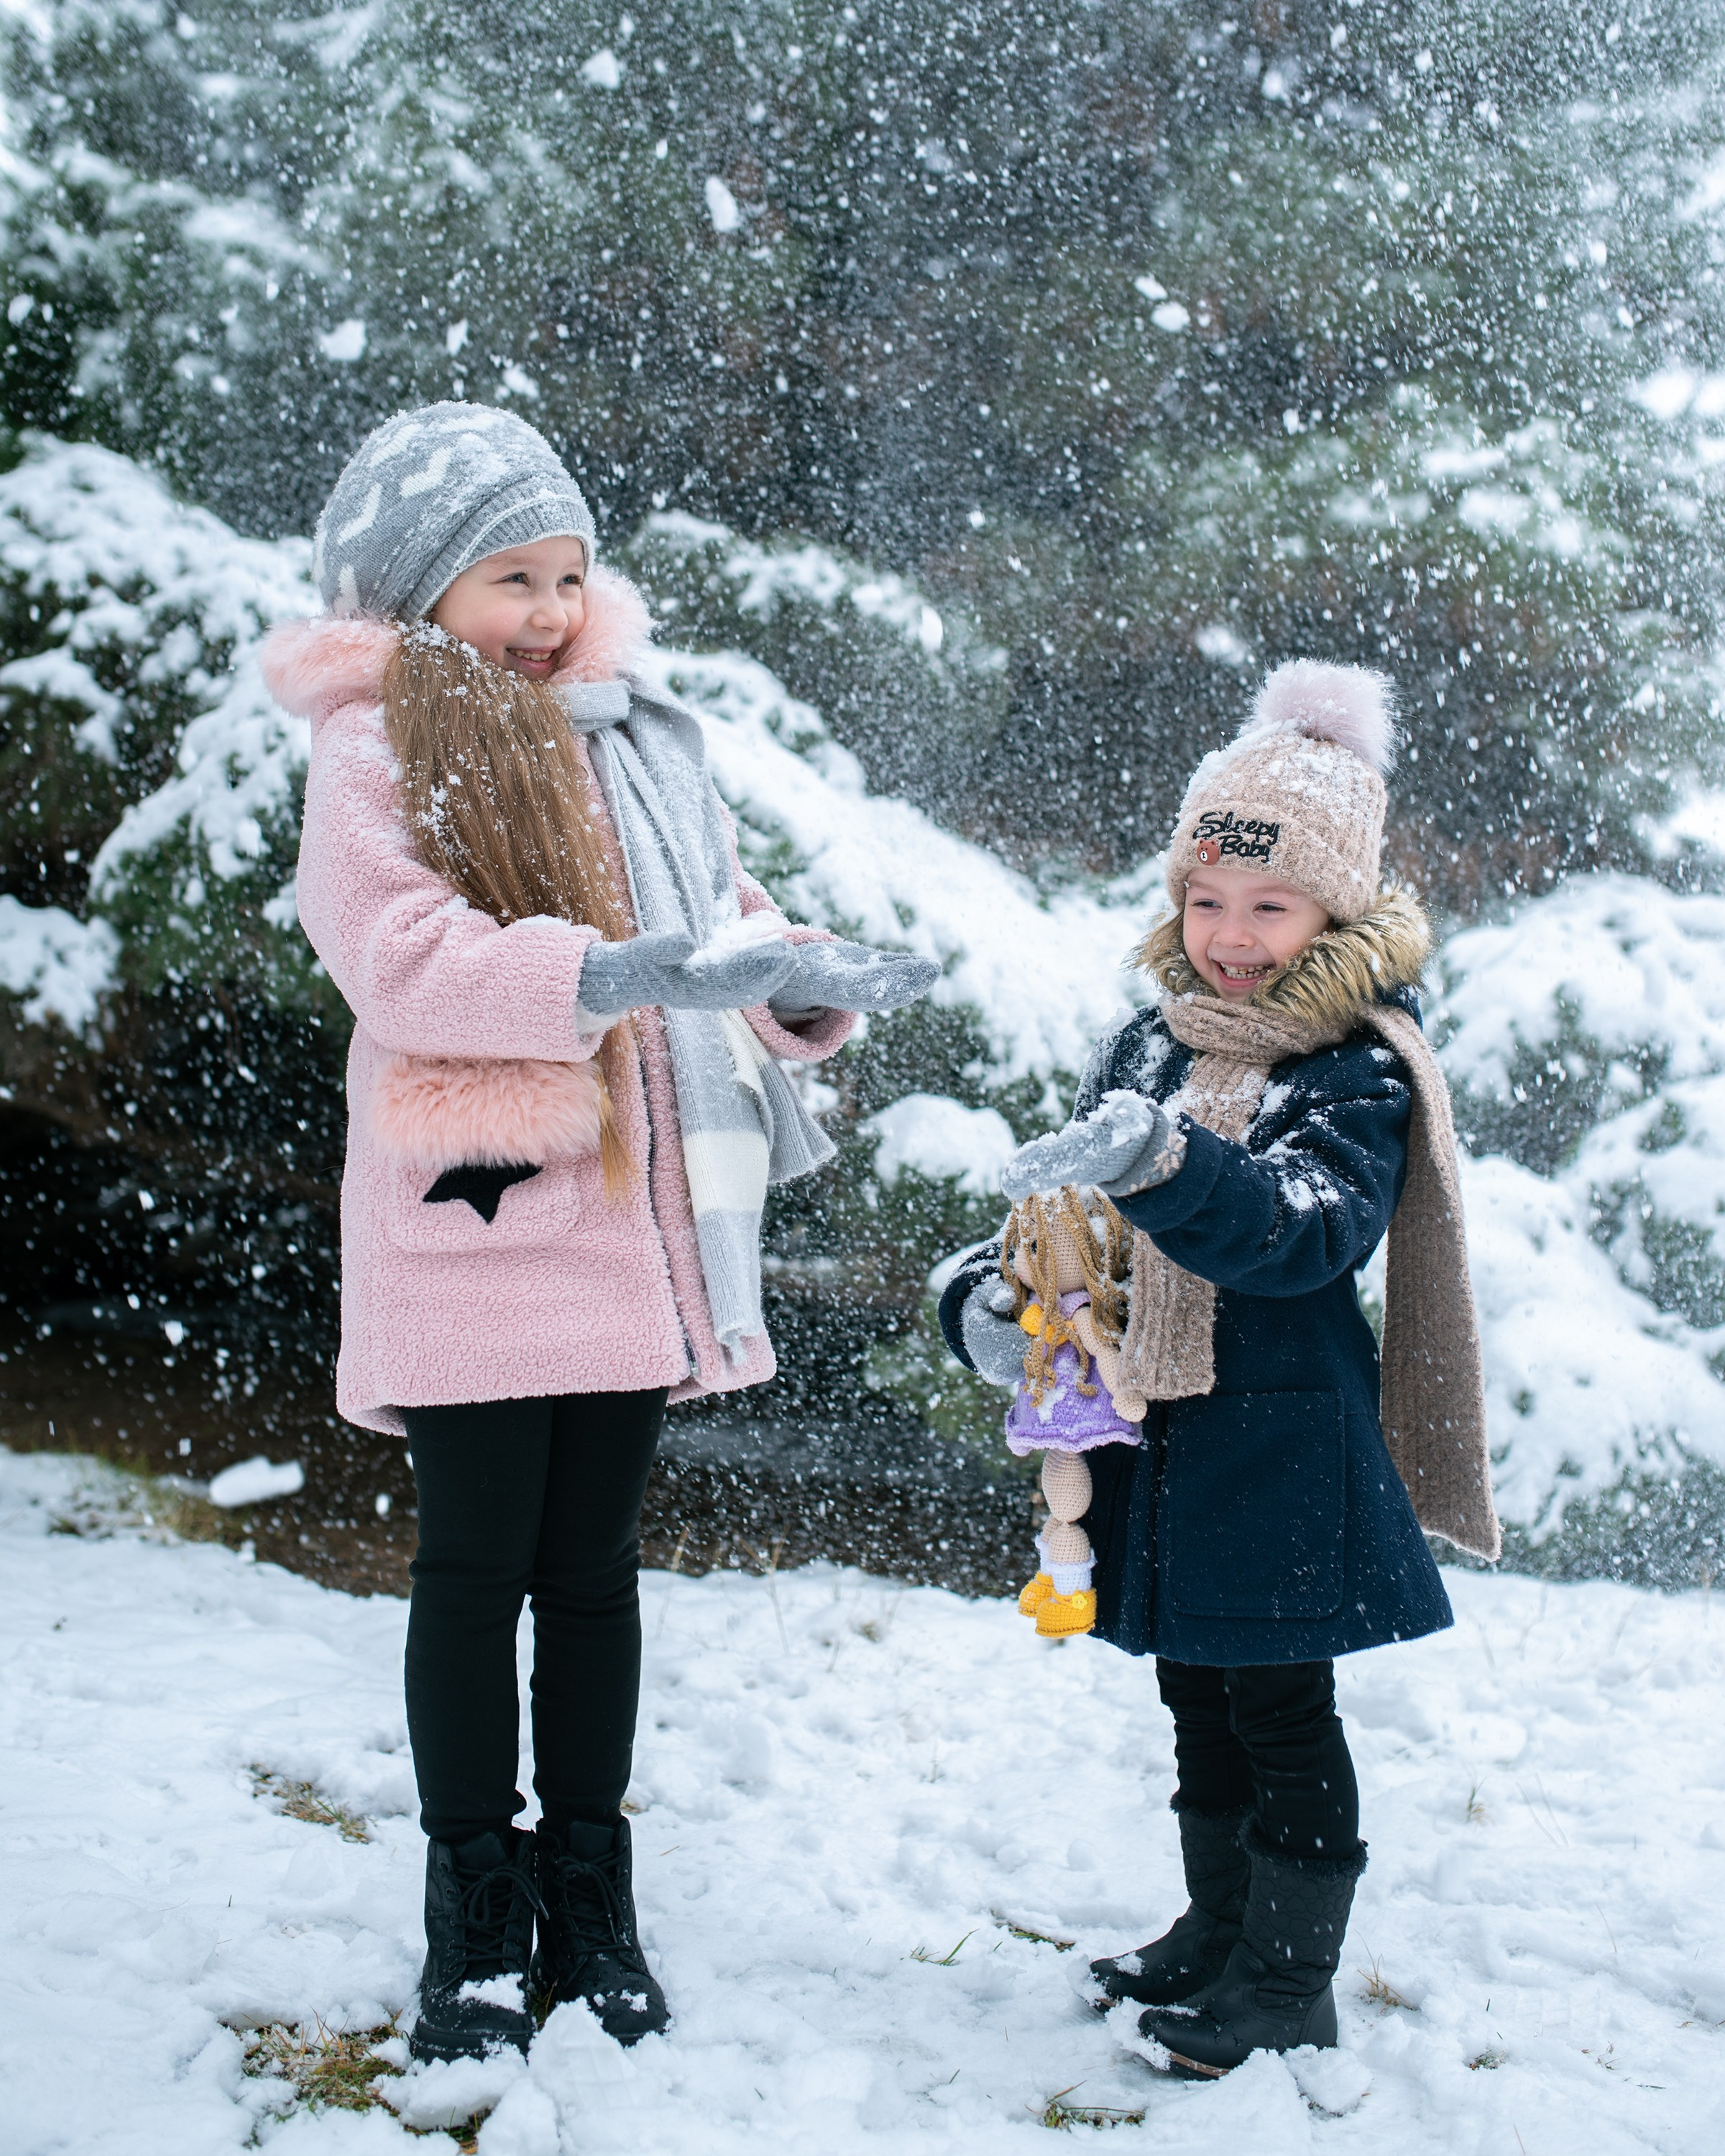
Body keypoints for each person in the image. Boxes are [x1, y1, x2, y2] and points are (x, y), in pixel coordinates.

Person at [269, 402, 937, 2063]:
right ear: (419, 592)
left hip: (635, 1238)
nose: (555, 608)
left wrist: (795, 980)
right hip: (482, 1233)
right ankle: (473, 1916)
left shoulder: (633, 738)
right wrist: (607, 977)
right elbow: (400, 956)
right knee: (471, 1575)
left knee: (595, 1582)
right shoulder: (378, 751)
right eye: (514, 577)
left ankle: (592, 1894)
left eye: (569, 572)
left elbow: (722, 919)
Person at [940, 660, 1499, 2078]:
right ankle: (1218, 1927)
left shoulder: (1352, 1067)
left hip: (1282, 1450)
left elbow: (1302, 1236)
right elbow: (1072, 1216)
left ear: (1337, 913)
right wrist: (996, 1298)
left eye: (1270, 907)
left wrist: (1171, 1160)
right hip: (1165, 1433)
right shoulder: (1153, 1037)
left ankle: (1290, 1979)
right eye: (1207, 900)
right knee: (1195, 1694)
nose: (1232, 936)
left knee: (1280, 1710)